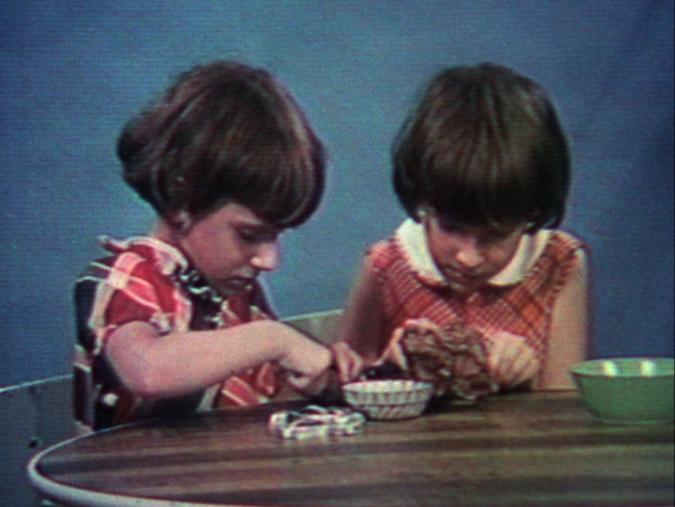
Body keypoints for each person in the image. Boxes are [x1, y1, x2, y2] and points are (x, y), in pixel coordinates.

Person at [73, 61, 333, 433]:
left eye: (276, 237)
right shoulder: (125, 279)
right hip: (129, 490)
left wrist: (313, 382)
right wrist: (275, 340)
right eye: (249, 235)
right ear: (182, 198)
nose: (269, 260)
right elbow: (147, 370)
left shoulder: (238, 296)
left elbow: (260, 415)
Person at [333, 63, 591, 395]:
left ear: (531, 213)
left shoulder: (559, 264)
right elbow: (343, 390)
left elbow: (564, 409)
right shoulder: (386, 266)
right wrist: (388, 366)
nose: (468, 257)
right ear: (424, 201)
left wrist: (528, 376)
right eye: (451, 227)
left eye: (494, 235)